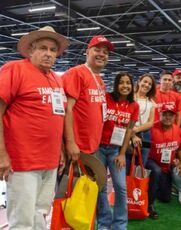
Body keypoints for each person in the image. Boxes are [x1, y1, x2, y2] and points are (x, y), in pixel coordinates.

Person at [0, 26, 69, 229]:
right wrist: (2, 153)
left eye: (53, 50)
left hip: (50, 161)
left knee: (41, 215)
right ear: (31, 50)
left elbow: (56, 117)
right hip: (22, 161)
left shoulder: (57, 79)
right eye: (43, 48)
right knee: (22, 221)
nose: (48, 54)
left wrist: (60, 150)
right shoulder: (15, 69)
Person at [97, 72, 139, 230]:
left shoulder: (134, 106)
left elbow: (129, 130)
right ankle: (103, 223)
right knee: (101, 187)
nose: (125, 86)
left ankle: (120, 225)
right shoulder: (107, 98)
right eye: (121, 82)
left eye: (128, 82)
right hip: (99, 148)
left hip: (116, 150)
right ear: (116, 85)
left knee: (120, 187)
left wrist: (122, 153)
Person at [63, 35, 113, 161]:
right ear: (87, 52)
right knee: (70, 181)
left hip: (92, 147)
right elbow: (66, 109)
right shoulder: (76, 73)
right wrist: (70, 143)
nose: (102, 54)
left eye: (105, 52)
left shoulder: (100, 80)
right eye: (97, 50)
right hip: (76, 148)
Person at [146, 104, 181, 219]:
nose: (168, 117)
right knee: (156, 171)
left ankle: (155, 188)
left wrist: (180, 161)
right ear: (159, 115)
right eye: (164, 114)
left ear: (175, 117)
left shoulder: (178, 130)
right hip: (151, 162)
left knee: (165, 198)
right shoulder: (151, 128)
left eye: (170, 115)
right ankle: (149, 205)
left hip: (167, 166)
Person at [126, 73, 156, 172]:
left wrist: (137, 130)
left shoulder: (151, 103)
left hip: (145, 135)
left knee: (140, 168)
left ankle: (138, 187)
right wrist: (133, 135)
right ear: (139, 82)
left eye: (150, 84)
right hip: (128, 133)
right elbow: (125, 118)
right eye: (145, 82)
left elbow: (150, 122)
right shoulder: (129, 99)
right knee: (126, 165)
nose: (147, 85)